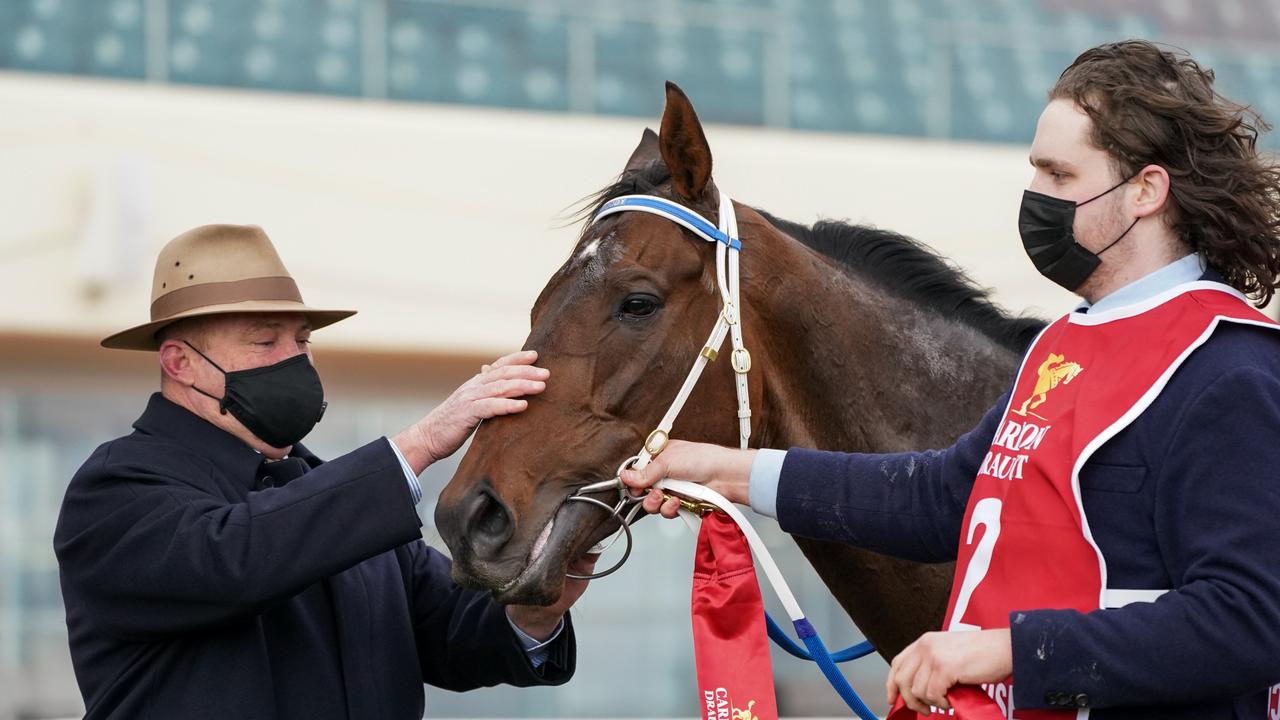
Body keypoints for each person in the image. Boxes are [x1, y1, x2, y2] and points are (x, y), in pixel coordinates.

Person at [623, 40, 1280, 719]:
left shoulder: (1227, 367)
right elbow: (941, 499)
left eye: (1059, 175)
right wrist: (726, 473)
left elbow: (1254, 617)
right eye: (1035, 172)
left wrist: (1010, 653)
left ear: (1145, 191)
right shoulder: (1065, 343)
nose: (1035, 198)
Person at [54, 224, 593, 719]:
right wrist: (421, 444)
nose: (297, 360)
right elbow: (238, 557)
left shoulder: (342, 500)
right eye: (266, 341)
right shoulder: (117, 488)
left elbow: (455, 633)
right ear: (180, 363)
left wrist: (537, 606)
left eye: (304, 341)